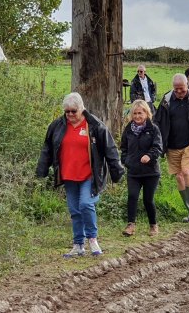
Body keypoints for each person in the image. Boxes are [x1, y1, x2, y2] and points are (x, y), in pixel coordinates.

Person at [37, 92, 124, 257]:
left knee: (85, 204)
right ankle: (78, 244)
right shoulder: (57, 126)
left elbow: (110, 149)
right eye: (67, 111)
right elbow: (47, 148)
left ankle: (92, 239)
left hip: (89, 175)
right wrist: (42, 169)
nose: (70, 114)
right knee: (75, 210)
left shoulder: (95, 126)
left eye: (73, 111)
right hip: (68, 174)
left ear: (81, 109)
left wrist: (116, 171)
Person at [154, 74, 189, 222]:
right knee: (179, 177)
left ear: (187, 86)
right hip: (171, 146)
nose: (179, 92)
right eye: (176, 89)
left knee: (186, 171)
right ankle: (188, 209)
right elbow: (157, 123)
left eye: (182, 89)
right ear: (173, 87)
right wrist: (156, 144)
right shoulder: (166, 100)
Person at [119, 100, 163, 237]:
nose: (137, 116)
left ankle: (153, 225)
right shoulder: (128, 129)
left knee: (147, 200)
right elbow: (123, 148)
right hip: (133, 171)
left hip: (150, 171)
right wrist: (126, 161)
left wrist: (149, 156)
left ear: (146, 113)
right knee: (132, 196)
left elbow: (158, 147)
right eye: (135, 113)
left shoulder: (153, 129)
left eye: (140, 113)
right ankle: (131, 225)